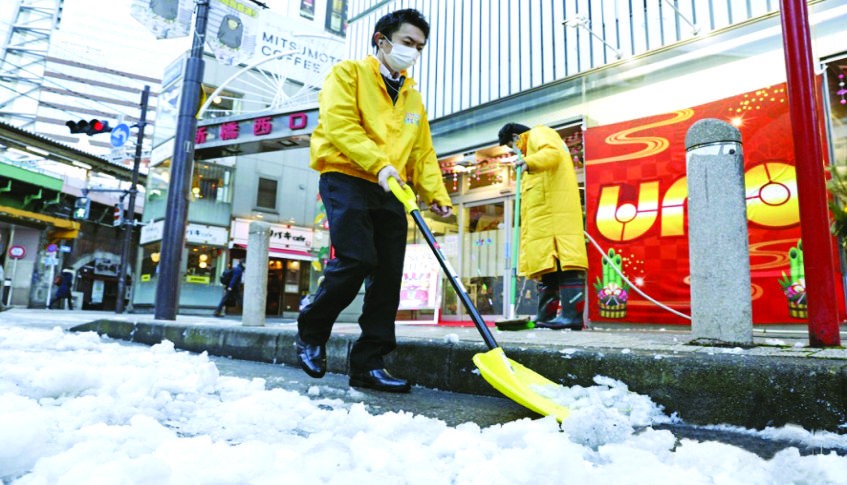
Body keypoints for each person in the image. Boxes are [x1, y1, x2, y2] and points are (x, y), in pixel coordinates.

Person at [296, 8, 452, 393]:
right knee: (357, 258)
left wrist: (436, 193)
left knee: (387, 278)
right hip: (346, 176)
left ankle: (369, 363)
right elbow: (339, 124)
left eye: (419, 47)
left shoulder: (413, 97)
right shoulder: (348, 74)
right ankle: (311, 331)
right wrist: (379, 164)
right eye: (406, 43)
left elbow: (422, 153)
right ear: (382, 40)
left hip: (391, 189)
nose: (412, 52)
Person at [498, 122, 589, 330]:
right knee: (547, 269)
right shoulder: (531, 148)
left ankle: (571, 316)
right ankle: (545, 317)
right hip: (545, 222)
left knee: (565, 264)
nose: (515, 150)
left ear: (516, 137)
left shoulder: (540, 133)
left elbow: (552, 153)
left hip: (555, 217)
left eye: (511, 145)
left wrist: (529, 162)